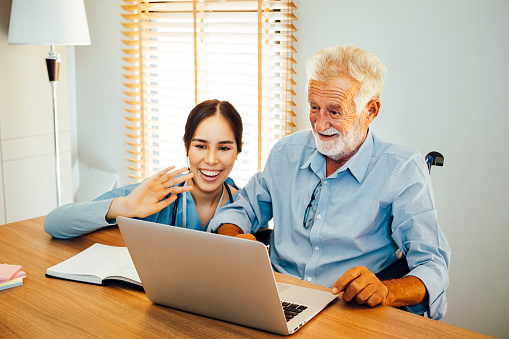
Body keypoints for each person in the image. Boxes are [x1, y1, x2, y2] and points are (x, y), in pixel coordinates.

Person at [208, 46, 451, 320]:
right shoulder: (286, 152)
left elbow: (432, 266)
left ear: (370, 110)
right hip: (272, 300)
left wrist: (386, 290)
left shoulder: (402, 169)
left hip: (347, 313)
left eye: (335, 112)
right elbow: (243, 209)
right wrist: (233, 241)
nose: (320, 124)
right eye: (314, 107)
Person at [45, 99, 243, 238]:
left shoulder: (245, 206)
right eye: (201, 146)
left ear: (238, 151)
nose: (211, 159)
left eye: (224, 148)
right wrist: (125, 207)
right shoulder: (156, 194)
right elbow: (54, 223)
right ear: (186, 147)